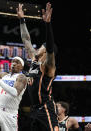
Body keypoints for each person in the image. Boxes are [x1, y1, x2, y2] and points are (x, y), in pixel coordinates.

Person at [17, 2, 58, 131]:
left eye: (42, 46)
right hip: (34, 109)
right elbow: (26, 40)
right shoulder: (35, 60)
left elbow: (50, 48)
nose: (39, 47)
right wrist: (22, 20)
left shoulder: (48, 66)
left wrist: (48, 24)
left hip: (46, 108)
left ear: (45, 51)